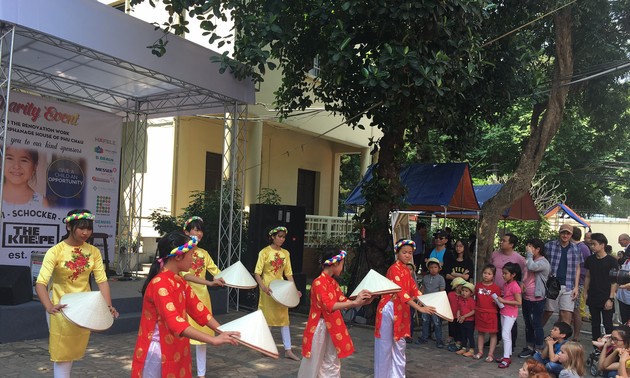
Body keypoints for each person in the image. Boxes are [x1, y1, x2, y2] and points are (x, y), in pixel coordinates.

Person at [131, 232, 239, 377]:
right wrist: (213, 340)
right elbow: (174, 321)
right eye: (191, 254)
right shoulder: (160, 284)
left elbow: (198, 309)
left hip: (176, 345)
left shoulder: (179, 281)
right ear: (178, 256)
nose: (194, 259)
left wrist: (222, 330)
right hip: (158, 349)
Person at [34, 209, 117, 378]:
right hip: (60, 304)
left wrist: (108, 306)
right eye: (81, 228)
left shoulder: (93, 251)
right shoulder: (55, 251)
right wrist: (48, 306)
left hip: (85, 306)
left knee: (72, 350)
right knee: (62, 352)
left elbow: (102, 280)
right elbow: (41, 283)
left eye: (89, 228)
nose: (85, 232)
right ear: (68, 226)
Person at [298, 248, 372, 377]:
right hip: (319, 326)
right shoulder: (318, 282)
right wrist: (355, 303)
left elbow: (344, 301)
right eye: (342, 264)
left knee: (332, 360)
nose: (343, 267)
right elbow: (329, 305)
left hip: (332, 326)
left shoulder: (332, 283)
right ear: (335, 263)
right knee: (313, 361)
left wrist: (363, 301)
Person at [374, 239, 436, 378]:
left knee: (400, 345)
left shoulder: (407, 271)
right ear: (397, 253)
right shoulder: (393, 269)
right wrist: (419, 309)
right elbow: (401, 292)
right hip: (389, 307)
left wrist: (427, 302)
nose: (407, 255)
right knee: (384, 346)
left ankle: (397, 375)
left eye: (410, 253)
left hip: (402, 309)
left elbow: (414, 290)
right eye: (404, 252)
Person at [180, 216, 226, 378]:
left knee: (202, 338)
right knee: (182, 334)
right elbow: (185, 275)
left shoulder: (204, 253)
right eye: (196, 229)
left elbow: (217, 272)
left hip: (202, 299)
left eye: (201, 230)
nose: (199, 233)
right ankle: (180, 369)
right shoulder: (181, 251)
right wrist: (209, 282)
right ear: (186, 231)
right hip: (183, 298)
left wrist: (233, 279)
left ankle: (201, 374)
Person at [254, 226, 302, 361]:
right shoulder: (264, 252)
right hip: (268, 289)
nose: (281, 239)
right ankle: (265, 347)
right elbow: (257, 272)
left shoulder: (286, 253)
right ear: (273, 237)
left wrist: (294, 289)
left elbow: (288, 273)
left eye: (283, 237)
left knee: (284, 319)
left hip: (281, 289)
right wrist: (263, 287)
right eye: (279, 236)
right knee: (267, 319)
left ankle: (288, 350)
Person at [489, 232, 526, 344]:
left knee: (509, 317)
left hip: (509, 293)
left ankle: (511, 341)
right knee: (495, 315)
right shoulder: (495, 254)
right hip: (495, 290)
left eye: (504, 240)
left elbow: (525, 270)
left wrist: (522, 283)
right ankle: (495, 337)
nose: (501, 242)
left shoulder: (518, 258)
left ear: (511, 244)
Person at [542, 224, 583, 327]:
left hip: (569, 285)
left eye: (568, 233)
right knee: (548, 311)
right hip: (552, 284)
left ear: (571, 235)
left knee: (566, 313)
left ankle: (563, 340)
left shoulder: (576, 249)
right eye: (563, 232)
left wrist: (576, 287)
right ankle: (536, 332)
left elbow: (578, 267)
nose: (565, 235)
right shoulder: (549, 246)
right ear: (559, 233)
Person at [519, 238, 551, 359]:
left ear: (538, 249)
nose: (528, 248)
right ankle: (529, 346)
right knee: (528, 323)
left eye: (531, 246)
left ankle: (539, 348)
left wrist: (529, 255)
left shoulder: (543, 262)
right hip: (526, 297)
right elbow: (525, 274)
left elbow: (532, 267)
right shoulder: (529, 260)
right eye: (528, 246)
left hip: (537, 298)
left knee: (536, 323)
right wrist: (521, 283)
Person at [585, 233, 619, 341]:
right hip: (593, 295)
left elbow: (614, 282)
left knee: (608, 324)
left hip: (606, 296)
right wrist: (585, 292)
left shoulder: (612, 261)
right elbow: (588, 276)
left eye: (594, 244)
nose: (592, 247)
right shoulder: (590, 259)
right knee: (594, 323)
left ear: (602, 245)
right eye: (591, 244)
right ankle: (596, 346)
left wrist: (611, 298)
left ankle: (610, 347)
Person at [496, 262, 522, 368]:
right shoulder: (506, 284)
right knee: (507, 335)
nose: (503, 275)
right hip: (504, 311)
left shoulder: (515, 286)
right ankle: (507, 355)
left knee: (505, 335)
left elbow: (519, 302)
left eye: (505, 273)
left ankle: (506, 358)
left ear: (513, 274)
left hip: (510, 314)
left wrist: (503, 301)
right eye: (503, 273)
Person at [475, 264, 501, 363]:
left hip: (491, 314)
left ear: (493, 276)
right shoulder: (478, 286)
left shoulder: (496, 288)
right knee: (480, 332)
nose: (486, 275)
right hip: (480, 312)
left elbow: (499, 302)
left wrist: (497, 302)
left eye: (489, 274)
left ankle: (490, 354)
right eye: (485, 273)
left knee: (492, 334)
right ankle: (480, 352)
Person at [417, 257, 446, 347]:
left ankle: (439, 340)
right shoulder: (425, 278)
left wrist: (440, 303)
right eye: (431, 267)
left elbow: (442, 292)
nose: (433, 269)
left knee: (437, 322)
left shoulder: (441, 279)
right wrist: (420, 300)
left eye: (435, 267)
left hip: (435, 304)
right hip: (426, 303)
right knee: (425, 321)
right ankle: (424, 337)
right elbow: (423, 289)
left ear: (438, 268)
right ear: (428, 268)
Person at [571, 226, 592, 341]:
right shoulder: (581, 247)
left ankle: (576, 335)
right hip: (574, 281)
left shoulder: (582, 248)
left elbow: (585, 267)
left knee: (576, 309)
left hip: (579, 282)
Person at [455, 282, 476, 358]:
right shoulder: (461, 300)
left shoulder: (471, 301)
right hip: (462, 320)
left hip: (469, 321)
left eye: (466, 291)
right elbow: (458, 309)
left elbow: (473, 311)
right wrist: (458, 315)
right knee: (463, 334)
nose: (464, 292)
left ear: (471, 293)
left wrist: (464, 316)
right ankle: (463, 347)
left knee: (470, 335)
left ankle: (471, 349)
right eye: (463, 290)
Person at [446, 277, 466, 352]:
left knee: (459, 329)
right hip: (451, 314)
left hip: (460, 316)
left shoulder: (463, 295)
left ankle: (458, 342)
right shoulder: (450, 294)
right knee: (451, 328)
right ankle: (452, 339)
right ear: (457, 287)